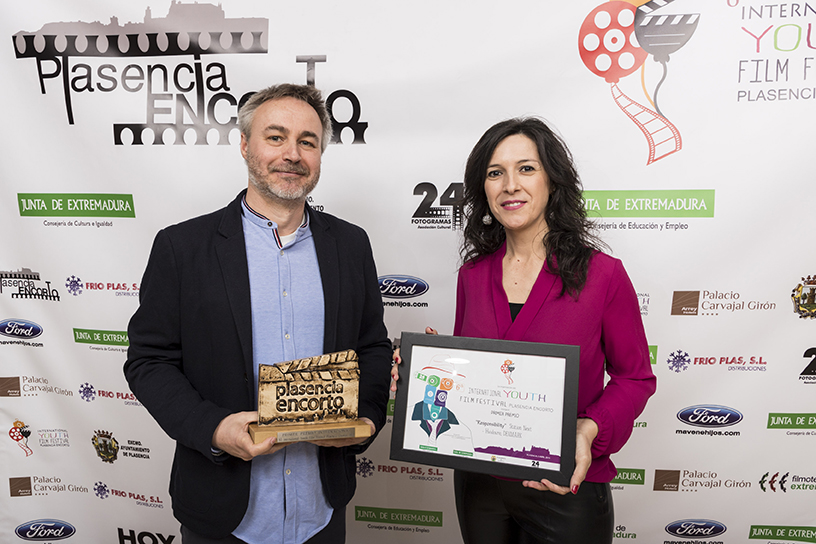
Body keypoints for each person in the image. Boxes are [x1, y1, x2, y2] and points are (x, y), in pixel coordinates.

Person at [125, 83, 392, 544]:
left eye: (307, 141)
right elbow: (149, 361)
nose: (292, 154)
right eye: (276, 137)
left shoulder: (351, 245)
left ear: (320, 155)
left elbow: (372, 346)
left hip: (321, 511)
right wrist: (213, 428)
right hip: (222, 513)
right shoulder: (182, 248)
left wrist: (365, 420)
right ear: (245, 145)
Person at [392, 117, 656, 543]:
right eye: (495, 173)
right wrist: (432, 367)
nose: (510, 185)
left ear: (553, 180)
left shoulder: (603, 275)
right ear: (483, 190)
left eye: (526, 169)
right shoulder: (473, 275)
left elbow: (635, 378)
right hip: (479, 482)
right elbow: (477, 380)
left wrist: (589, 429)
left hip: (563, 485)